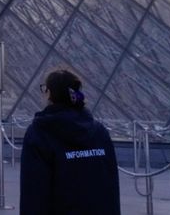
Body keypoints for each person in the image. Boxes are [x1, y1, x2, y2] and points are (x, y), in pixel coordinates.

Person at [20, 69, 120, 214]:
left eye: (44, 89)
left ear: (49, 93)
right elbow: (111, 187)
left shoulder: (39, 134)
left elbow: (33, 192)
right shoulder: (99, 132)